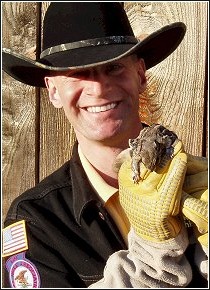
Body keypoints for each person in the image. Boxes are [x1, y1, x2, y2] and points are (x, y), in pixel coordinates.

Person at [2, 2, 208, 288]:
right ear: (53, 91)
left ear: (140, 75)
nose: (98, 89)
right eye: (77, 73)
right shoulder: (37, 221)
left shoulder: (201, 187)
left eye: (113, 68)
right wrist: (154, 250)